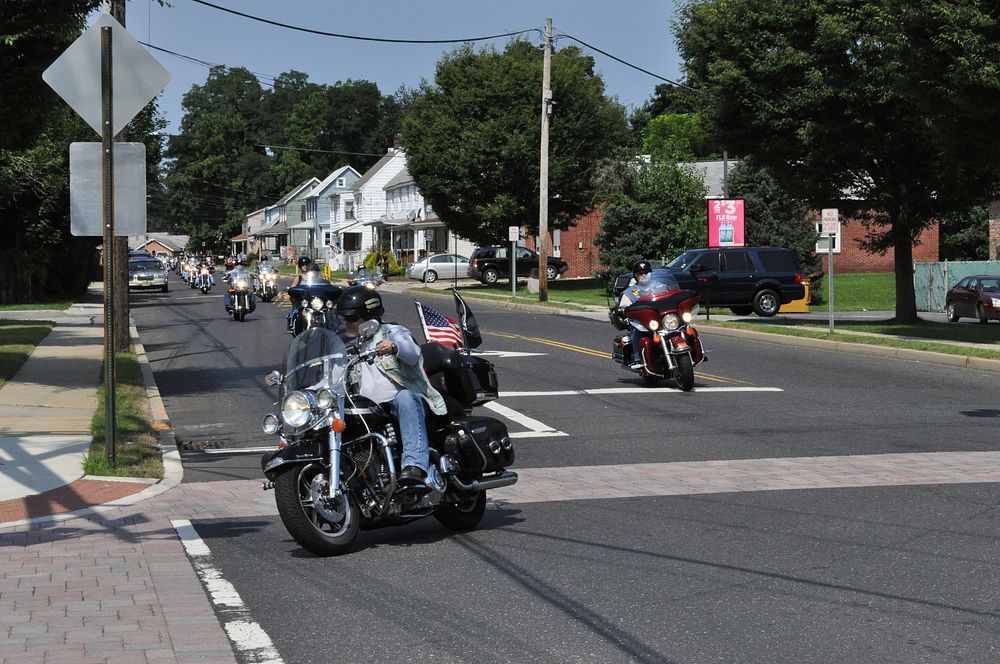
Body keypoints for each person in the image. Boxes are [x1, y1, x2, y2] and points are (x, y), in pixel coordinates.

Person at [336, 285, 447, 489]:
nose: (346, 324)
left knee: (405, 397)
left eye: (351, 319)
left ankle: (415, 464)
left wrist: (394, 347)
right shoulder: (348, 344)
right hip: (368, 408)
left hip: (397, 402)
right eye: (344, 319)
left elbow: (412, 353)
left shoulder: (393, 332)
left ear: (367, 316)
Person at [619, 260, 658, 370]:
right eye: (640, 273)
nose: (644, 275)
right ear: (635, 276)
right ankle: (638, 358)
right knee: (636, 330)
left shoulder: (660, 286)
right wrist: (624, 308)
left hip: (659, 319)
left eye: (646, 272)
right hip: (641, 322)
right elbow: (624, 306)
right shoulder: (631, 292)